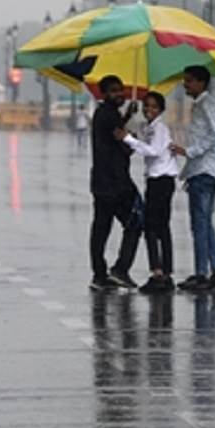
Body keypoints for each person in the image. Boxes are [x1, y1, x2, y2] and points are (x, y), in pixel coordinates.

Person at [170, 66, 215, 291]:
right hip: (204, 171)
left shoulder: (206, 104)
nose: (186, 85)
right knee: (205, 223)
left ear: (202, 82)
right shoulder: (200, 105)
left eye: (190, 81)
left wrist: (189, 152)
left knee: (199, 224)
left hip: (205, 172)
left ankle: (201, 274)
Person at [115, 91, 177, 294]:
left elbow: (153, 151)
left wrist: (129, 141)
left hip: (162, 180)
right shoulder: (149, 128)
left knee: (153, 227)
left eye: (153, 107)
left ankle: (159, 272)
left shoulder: (160, 128)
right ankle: (164, 271)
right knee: (159, 227)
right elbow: (141, 140)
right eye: (146, 106)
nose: (149, 110)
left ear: (161, 109)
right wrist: (129, 118)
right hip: (155, 180)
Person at [89, 75, 142, 290]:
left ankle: (100, 275)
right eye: (114, 91)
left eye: (121, 90)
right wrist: (132, 138)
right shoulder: (108, 116)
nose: (119, 94)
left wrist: (128, 115)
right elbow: (125, 148)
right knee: (135, 224)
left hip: (103, 183)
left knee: (101, 229)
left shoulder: (105, 114)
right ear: (104, 94)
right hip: (116, 184)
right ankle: (120, 269)